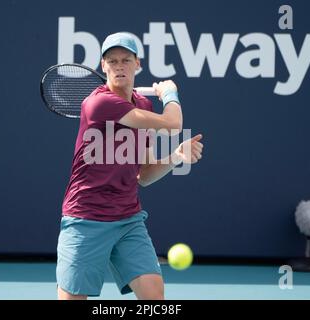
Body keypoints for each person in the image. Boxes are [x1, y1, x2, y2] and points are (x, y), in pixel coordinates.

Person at [56, 32, 204, 300]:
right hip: (86, 218)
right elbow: (173, 124)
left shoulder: (143, 104)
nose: (119, 66)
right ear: (103, 66)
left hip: (127, 219)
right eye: (112, 61)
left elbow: (144, 175)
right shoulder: (100, 102)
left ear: (138, 64)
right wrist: (170, 94)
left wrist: (175, 157)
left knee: (153, 297)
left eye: (126, 60)